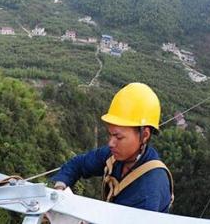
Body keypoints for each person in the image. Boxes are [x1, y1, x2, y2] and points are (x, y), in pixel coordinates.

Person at [50, 82, 173, 213]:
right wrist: (60, 187)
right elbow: (78, 164)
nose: (111, 143)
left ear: (145, 135)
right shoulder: (116, 156)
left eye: (119, 137)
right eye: (110, 134)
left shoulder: (149, 191)